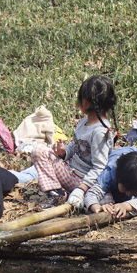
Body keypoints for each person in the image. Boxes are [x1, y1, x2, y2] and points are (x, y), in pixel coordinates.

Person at [31, 75, 117, 208]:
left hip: (88, 183)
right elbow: (75, 145)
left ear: (87, 102)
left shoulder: (100, 132)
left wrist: (81, 189)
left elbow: (100, 168)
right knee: (39, 150)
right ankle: (57, 193)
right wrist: (64, 151)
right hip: (70, 173)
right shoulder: (83, 122)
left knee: (107, 201)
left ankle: (78, 198)